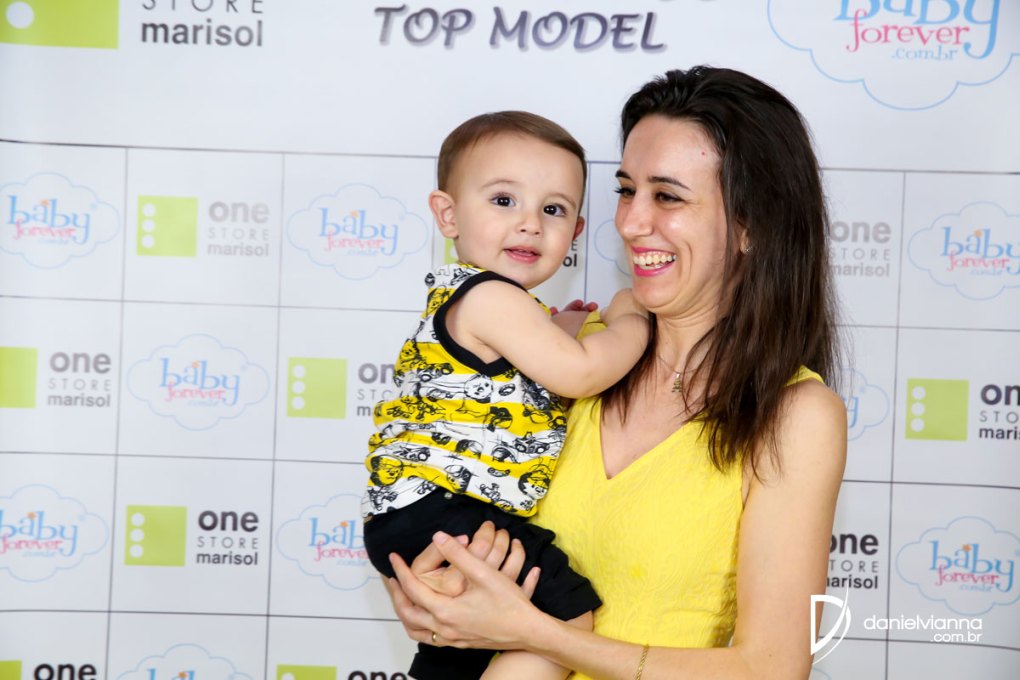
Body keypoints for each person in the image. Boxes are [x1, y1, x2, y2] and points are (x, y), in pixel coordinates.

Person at [384, 66, 849, 680]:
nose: (629, 222)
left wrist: (536, 633)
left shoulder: (795, 413)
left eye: (668, 196)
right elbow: (430, 477)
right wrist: (427, 593)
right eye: (628, 190)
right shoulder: (561, 350)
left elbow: (772, 668)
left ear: (751, 225)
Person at [362, 111, 650, 680]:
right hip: (442, 507)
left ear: (575, 229)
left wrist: (556, 328)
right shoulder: (491, 298)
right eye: (503, 201)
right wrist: (632, 321)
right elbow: (580, 374)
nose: (529, 225)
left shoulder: (486, 302)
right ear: (448, 214)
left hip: (420, 511)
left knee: (463, 644)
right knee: (567, 616)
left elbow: (512, 385)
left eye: (553, 210)